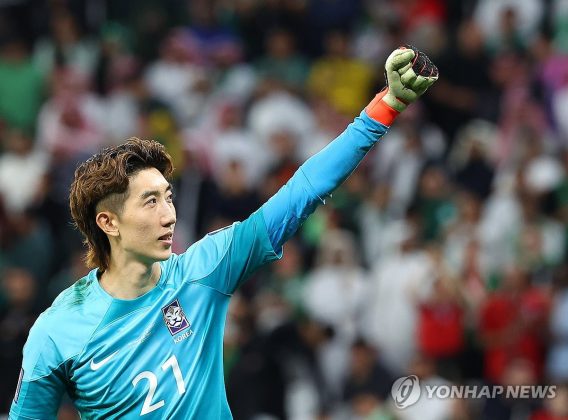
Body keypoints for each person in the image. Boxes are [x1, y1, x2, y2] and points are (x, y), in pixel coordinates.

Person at [9, 46, 438, 418]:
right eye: (150, 202)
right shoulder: (56, 331)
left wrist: (385, 107)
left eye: (168, 198)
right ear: (108, 222)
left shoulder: (202, 271)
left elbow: (302, 192)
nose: (169, 216)